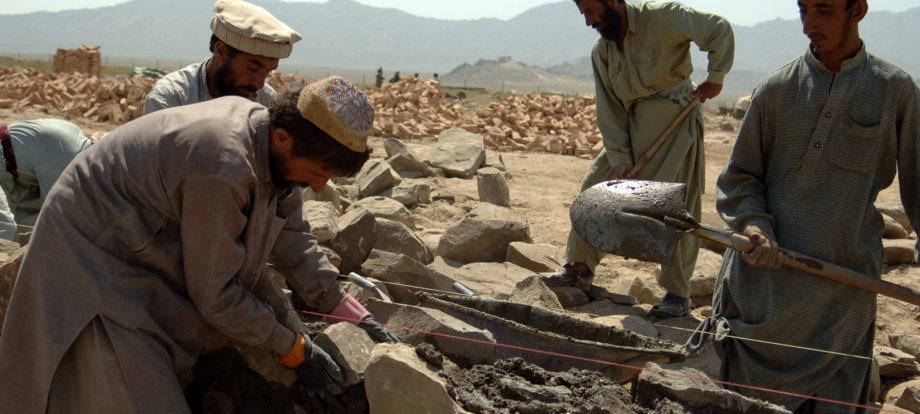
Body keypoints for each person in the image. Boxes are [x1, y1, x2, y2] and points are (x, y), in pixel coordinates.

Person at [0, 76, 398, 413]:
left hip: (147, 251)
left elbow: (294, 240)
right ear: (282, 138)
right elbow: (217, 295)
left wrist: (351, 313)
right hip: (96, 261)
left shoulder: (277, 150)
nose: (317, 187)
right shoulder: (222, 164)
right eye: (316, 173)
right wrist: (293, 349)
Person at [685, 0, 919, 410]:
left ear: (858, 11)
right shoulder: (776, 89)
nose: (809, 24)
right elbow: (739, 177)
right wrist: (756, 226)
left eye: (823, 10)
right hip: (760, 291)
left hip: (841, 295)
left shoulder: (895, 90)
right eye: (803, 10)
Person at [546, 0, 734, 318]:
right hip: (631, 130)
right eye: (583, 14)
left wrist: (716, 76)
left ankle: (677, 293)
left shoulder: (663, 16)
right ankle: (578, 269)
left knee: (677, 208)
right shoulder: (601, 51)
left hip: (677, 124)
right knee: (594, 186)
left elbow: (719, 29)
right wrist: (620, 156)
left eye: (591, 10)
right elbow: (609, 108)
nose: (588, 21)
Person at [143, 0, 301, 115]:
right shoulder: (171, 99)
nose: (260, 84)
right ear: (221, 51)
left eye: (268, 72)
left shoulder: (266, 101)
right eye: (252, 68)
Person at [0, 119, 92, 240]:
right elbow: (54, 219)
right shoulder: (66, 167)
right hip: (5, 161)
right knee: (5, 227)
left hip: (15, 165)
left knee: (25, 219)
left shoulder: (76, 134)